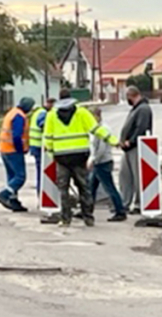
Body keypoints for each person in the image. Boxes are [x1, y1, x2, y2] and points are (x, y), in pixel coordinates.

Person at [43, 89, 119, 227]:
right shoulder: (81, 112)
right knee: (84, 187)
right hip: (79, 156)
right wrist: (114, 141)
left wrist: (51, 153)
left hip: (61, 157)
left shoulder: (51, 115)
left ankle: (66, 219)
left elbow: (48, 137)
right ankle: (88, 217)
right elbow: (97, 130)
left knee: (63, 189)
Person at [0, 97, 35, 212]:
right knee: (20, 177)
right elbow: (17, 136)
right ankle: (4, 194)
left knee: (12, 176)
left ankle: (13, 201)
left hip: (4, 149)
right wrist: (21, 149)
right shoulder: (19, 117)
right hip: (13, 150)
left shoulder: (12, 112)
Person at [89, 108, 127, 222]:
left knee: (109, 188)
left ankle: (120, 211)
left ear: (97, 116)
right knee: (91, 187)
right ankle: (86, 210)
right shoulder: (96, 128)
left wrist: (93, 160)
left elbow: (101, 149)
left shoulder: (103, 129)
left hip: (103, 162)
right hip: (100, 163)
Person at [119, 85, 153, 214]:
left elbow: (141, 128)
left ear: (132, 95)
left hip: (136, 147)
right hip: (128, 149)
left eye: (127, 97)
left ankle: (139, 204)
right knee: (125, 175)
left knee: (138, 176)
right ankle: (125, 202)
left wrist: (131, 141)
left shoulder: (143, 109)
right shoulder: (136, 109)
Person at [29, 98, 56, 198]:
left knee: (41, 172)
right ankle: (41, 196)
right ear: (49, 104)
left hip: (36, 146)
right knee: (43, 173)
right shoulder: (43, 113)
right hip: (40, 147)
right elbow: (43, 125)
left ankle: (40, 195)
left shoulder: (38, 112)